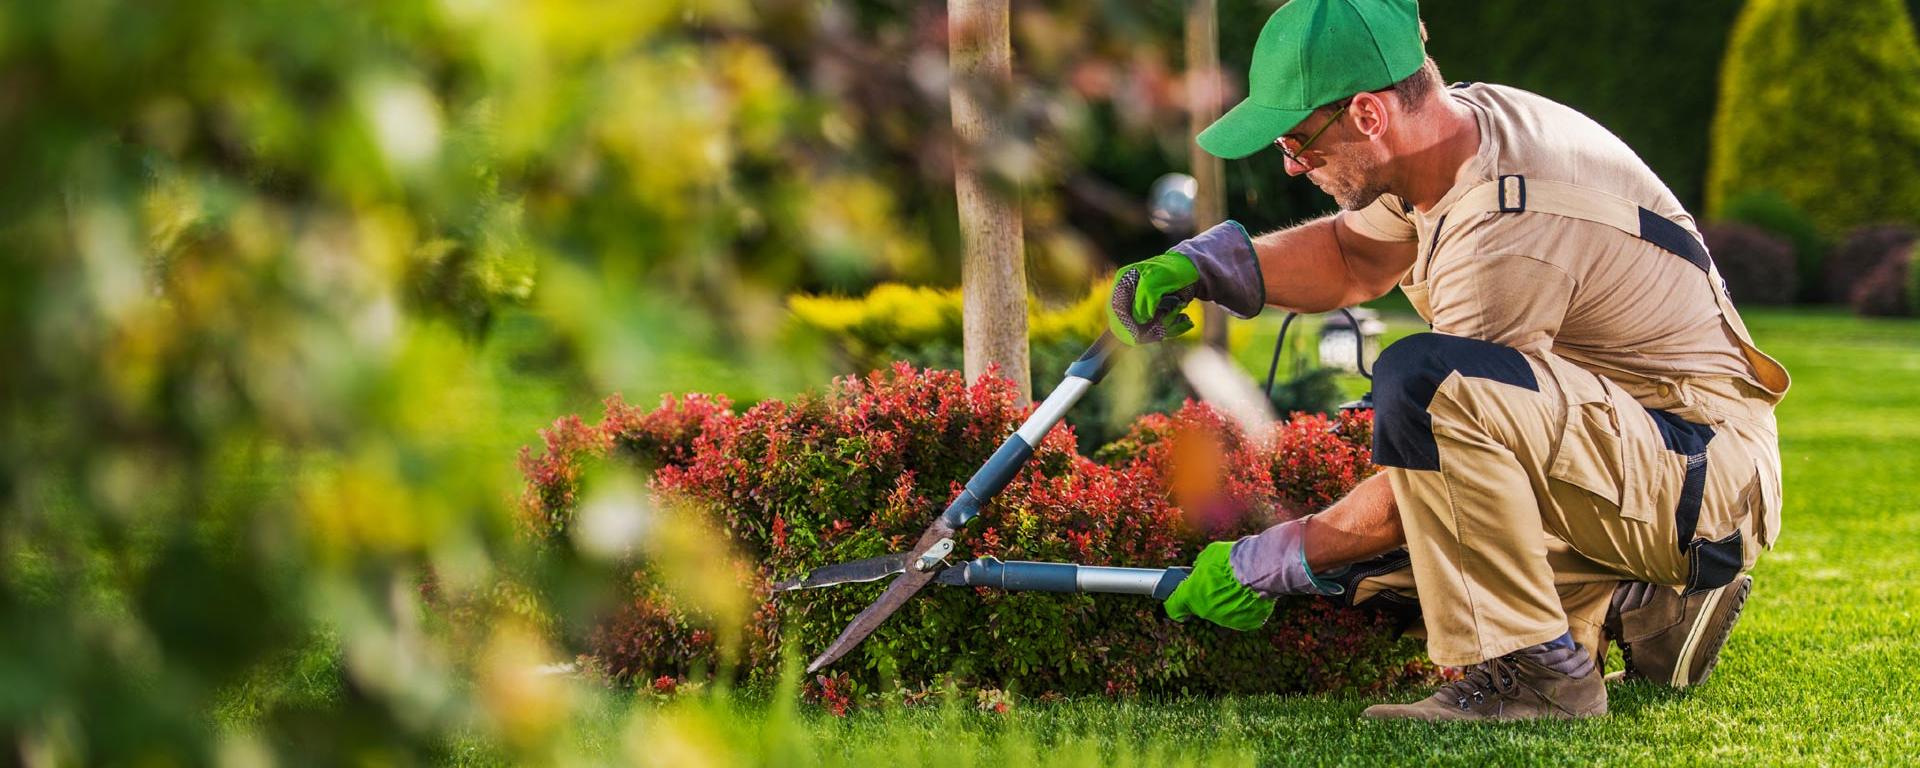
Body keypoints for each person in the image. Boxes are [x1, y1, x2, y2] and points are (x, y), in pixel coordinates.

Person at [1109, 0, 1789, 721]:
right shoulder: (1455, 137)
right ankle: (1647, 604)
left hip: (1699, 478)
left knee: (1419, 405)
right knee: (1398, 542)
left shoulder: (1506, 225)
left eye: (1300, 142)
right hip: (1653, 448)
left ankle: (1541, 675)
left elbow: (1429, 463)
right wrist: (1207, 268)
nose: (1292, 164)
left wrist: (1268, 562)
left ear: (1369, 115)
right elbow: (1353, 255)